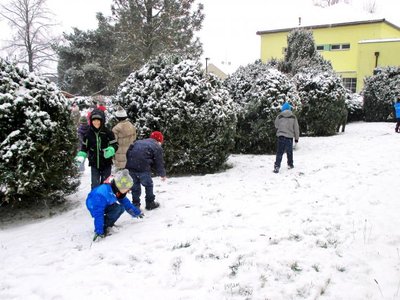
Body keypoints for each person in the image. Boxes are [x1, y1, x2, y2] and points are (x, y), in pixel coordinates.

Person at [86, 169, 144, 241]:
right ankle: (104, 227)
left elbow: (126, 203)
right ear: (121, 187)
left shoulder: (116, 189)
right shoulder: (102, 194)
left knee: (120, 208)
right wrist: (98, 231)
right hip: (94, 204)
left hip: (106, 203)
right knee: (107, 213)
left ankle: (107, 223)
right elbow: (98, 214)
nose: (128, 190)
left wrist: (137, 213)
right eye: (127, 188)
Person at [75, 109, 118, 189]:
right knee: (95, 185)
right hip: (94, 164)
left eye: (98, 120)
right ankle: (95, 200)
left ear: (102, 121)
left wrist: (111, 149)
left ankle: (106, 200)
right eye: (94, 120)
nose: (96, 123)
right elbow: (84, 147)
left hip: (106, 163)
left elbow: (115, 144)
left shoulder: (108, 132)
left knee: (106, 185)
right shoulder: (88, 134)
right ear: (91, 121)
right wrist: (82, 155)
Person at [126, 131, 166, 210]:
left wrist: (130, 163)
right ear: (159, 140)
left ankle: (135, 205)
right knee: (148, 185)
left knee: (135, 187)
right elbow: (159, 162)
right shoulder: (156, 146)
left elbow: (128, 152)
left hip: (131, 166)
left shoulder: (138, 142)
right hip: (143, 168)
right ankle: (150, 203)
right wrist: (162, 174)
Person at [273, 102, 300, 174]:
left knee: (279, 152)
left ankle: (277, 166)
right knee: (289, 152)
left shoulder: (279, 116)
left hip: (281, 136)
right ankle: (290, 164)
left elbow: (276, 125)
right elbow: (296, 129)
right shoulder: (293, 117)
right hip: (289, 137)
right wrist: (296, 139)